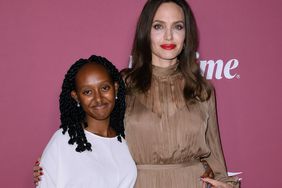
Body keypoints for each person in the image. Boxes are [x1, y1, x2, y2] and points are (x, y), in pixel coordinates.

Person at [34, 0, 239, 187]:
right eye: (158, 26)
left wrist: (226, 185)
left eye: (178, 26)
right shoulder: (124, 84)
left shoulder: (202, 89)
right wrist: (52, 167)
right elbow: (94, 137)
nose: (168, 36)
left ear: (187, 34)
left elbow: (216, 159)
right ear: (145, 32)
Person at [36, 55, 137, 188]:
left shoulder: (126, 142)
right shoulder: (63, 141)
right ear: (76, 97)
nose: (99, 98)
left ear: (116, 88)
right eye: (87, 92)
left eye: (105, 88)